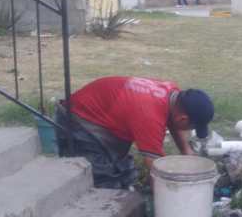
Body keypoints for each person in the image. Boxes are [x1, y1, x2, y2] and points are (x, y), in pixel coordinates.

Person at [55, 77, 214, 189]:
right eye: (192, 127)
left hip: (102, 116)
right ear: (183, 119)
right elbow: (156, 169)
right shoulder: (150, 117)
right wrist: (168, 198)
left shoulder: (172, 93)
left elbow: (174, 122)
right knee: (103, 183)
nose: (191, 130)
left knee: (124, 174)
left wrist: (186, 150)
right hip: (78, 121)